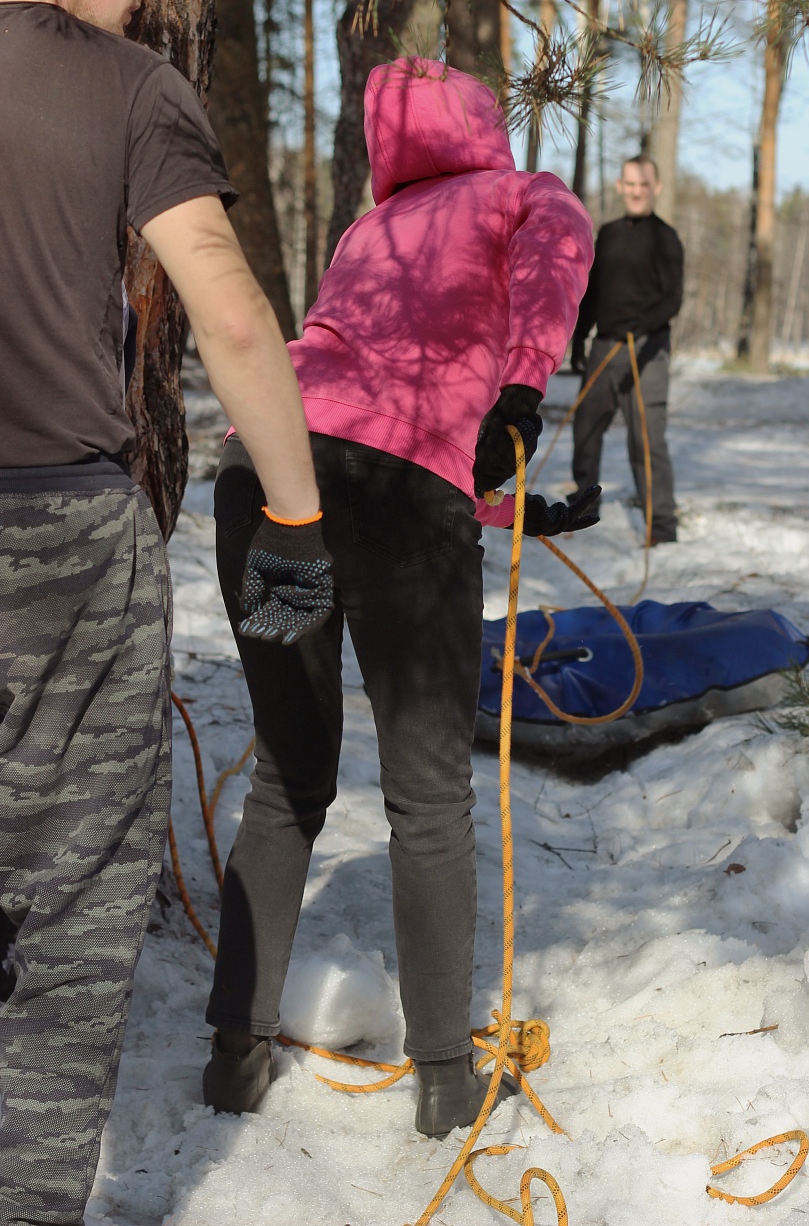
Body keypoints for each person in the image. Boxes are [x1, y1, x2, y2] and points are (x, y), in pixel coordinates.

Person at [0, 0, 333, 1226]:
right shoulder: (134, 90)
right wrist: (299, 524)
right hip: (65, 539)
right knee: (72, 909)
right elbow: (234, 314)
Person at [202, 56, 599, 1138]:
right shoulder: (527, 195)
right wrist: (522, 389)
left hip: (265, 484)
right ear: (487, 126)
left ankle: (232, 1058)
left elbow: (352, 423)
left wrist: (511, 513)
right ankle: (440, 1083)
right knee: (429, 795)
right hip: (395, 505)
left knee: (287, 777)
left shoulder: (365, 236)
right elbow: (559, 262)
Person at [570, 154, 684, 544]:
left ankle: (662, 526)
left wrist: (643, 328)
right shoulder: (608, 234)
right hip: (605, 346)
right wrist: (580, 337)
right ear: (621, 186)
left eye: (644, 185)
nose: (636, 191)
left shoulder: (665, 238)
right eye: (630, 184)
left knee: (645, 439)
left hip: (648, 348)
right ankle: (583, 510)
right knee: (585, 428)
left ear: (656, 188)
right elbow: (593, 291)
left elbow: (673, 300)